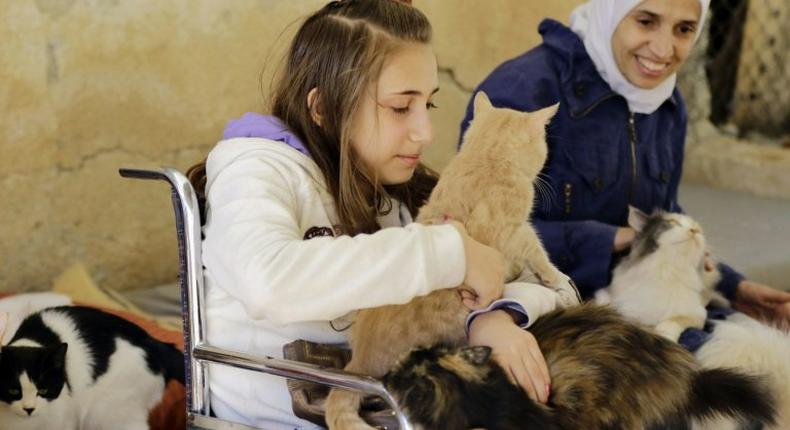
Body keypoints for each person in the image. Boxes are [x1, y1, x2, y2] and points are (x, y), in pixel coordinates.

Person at [187, 1, 551, 428]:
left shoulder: (397, 197)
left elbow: (553, 286)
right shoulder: (256, 167)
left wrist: (491, 317)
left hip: (390, 408)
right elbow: (266, 281)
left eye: (428, 106)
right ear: (322, 108)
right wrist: (448, 254)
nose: (426, 133)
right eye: (400, 107)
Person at [460, 0, 790, 336]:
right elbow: (482, 235)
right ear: (612, 9)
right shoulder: (524, 91)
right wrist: (609, 240)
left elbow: (662, 213)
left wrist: (734, 287)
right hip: (545, 314)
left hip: (642, 303)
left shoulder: (667, 104)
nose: (664, 50)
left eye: (684, 29)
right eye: (646, 21)